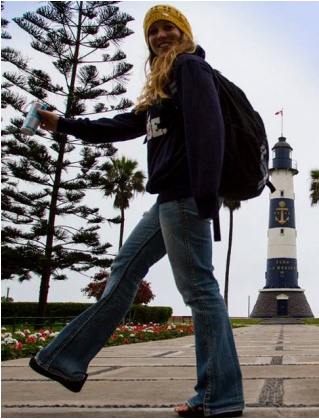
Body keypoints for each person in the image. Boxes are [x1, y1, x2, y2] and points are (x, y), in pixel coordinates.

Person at [29, 5, 244, 418]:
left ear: (184, 33)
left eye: (169, 28)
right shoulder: (164, 87)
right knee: (124, 272)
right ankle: (65, 361)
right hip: (168, 198)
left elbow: (209, 129)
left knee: (199, 290)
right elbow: (119, 126)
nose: (161, 35)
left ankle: (220, 397)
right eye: (154, 31)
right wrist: (63, 124)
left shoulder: (190, 68)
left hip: (185, 195)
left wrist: (205, 196)